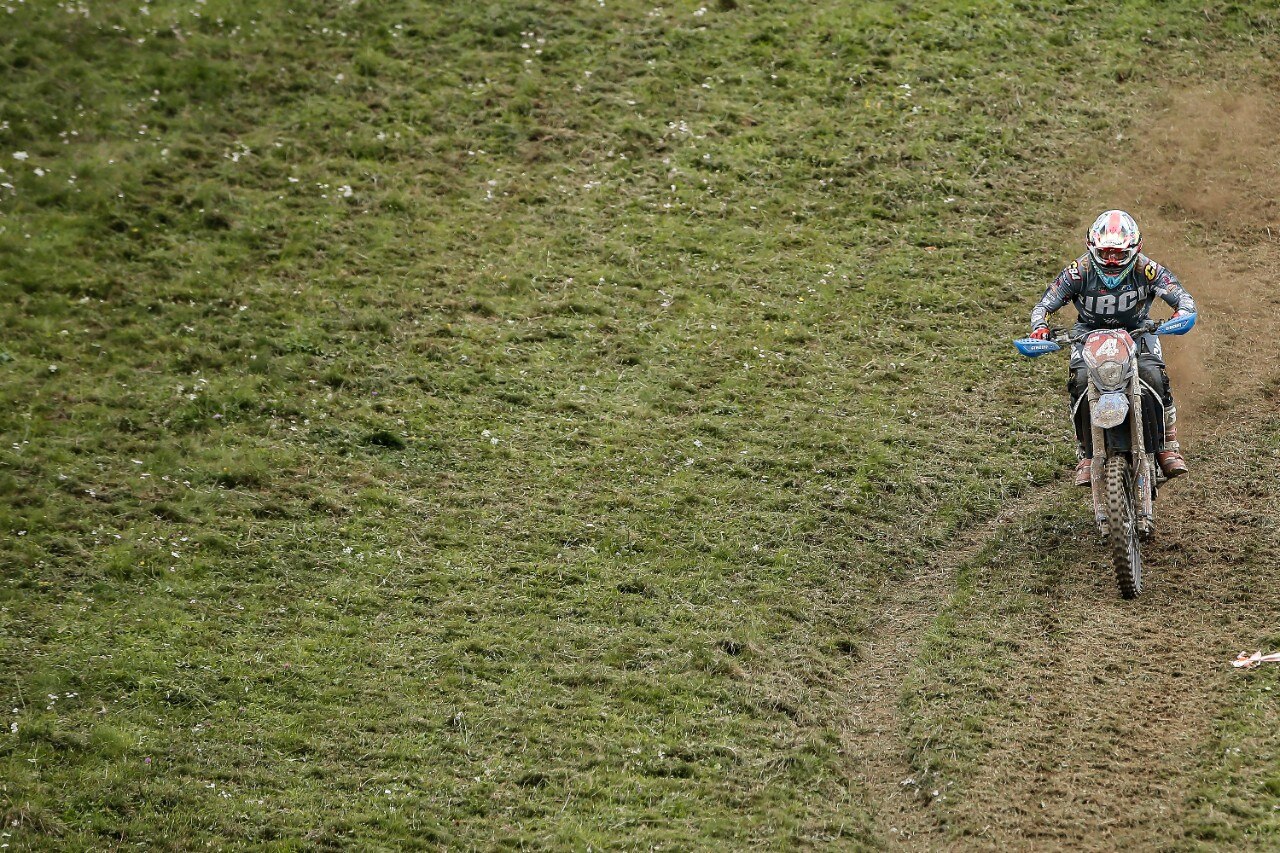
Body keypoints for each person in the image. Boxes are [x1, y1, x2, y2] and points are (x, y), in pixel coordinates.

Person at [1029, 210, 1196, 486]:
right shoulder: (1079, 270)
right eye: (1105, 252)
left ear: (1134, 249)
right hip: (1089, 335)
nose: (1111, 260)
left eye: (1118, 254)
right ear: (1092, 247)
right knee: (1080, 381)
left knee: (1154, 375)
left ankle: (1167, 444)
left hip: (1138, 330)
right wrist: (1040, 327)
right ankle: (1085, 452)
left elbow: (1179, 294)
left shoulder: (1146, 269)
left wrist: (1182, 312)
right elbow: (1046, 302)